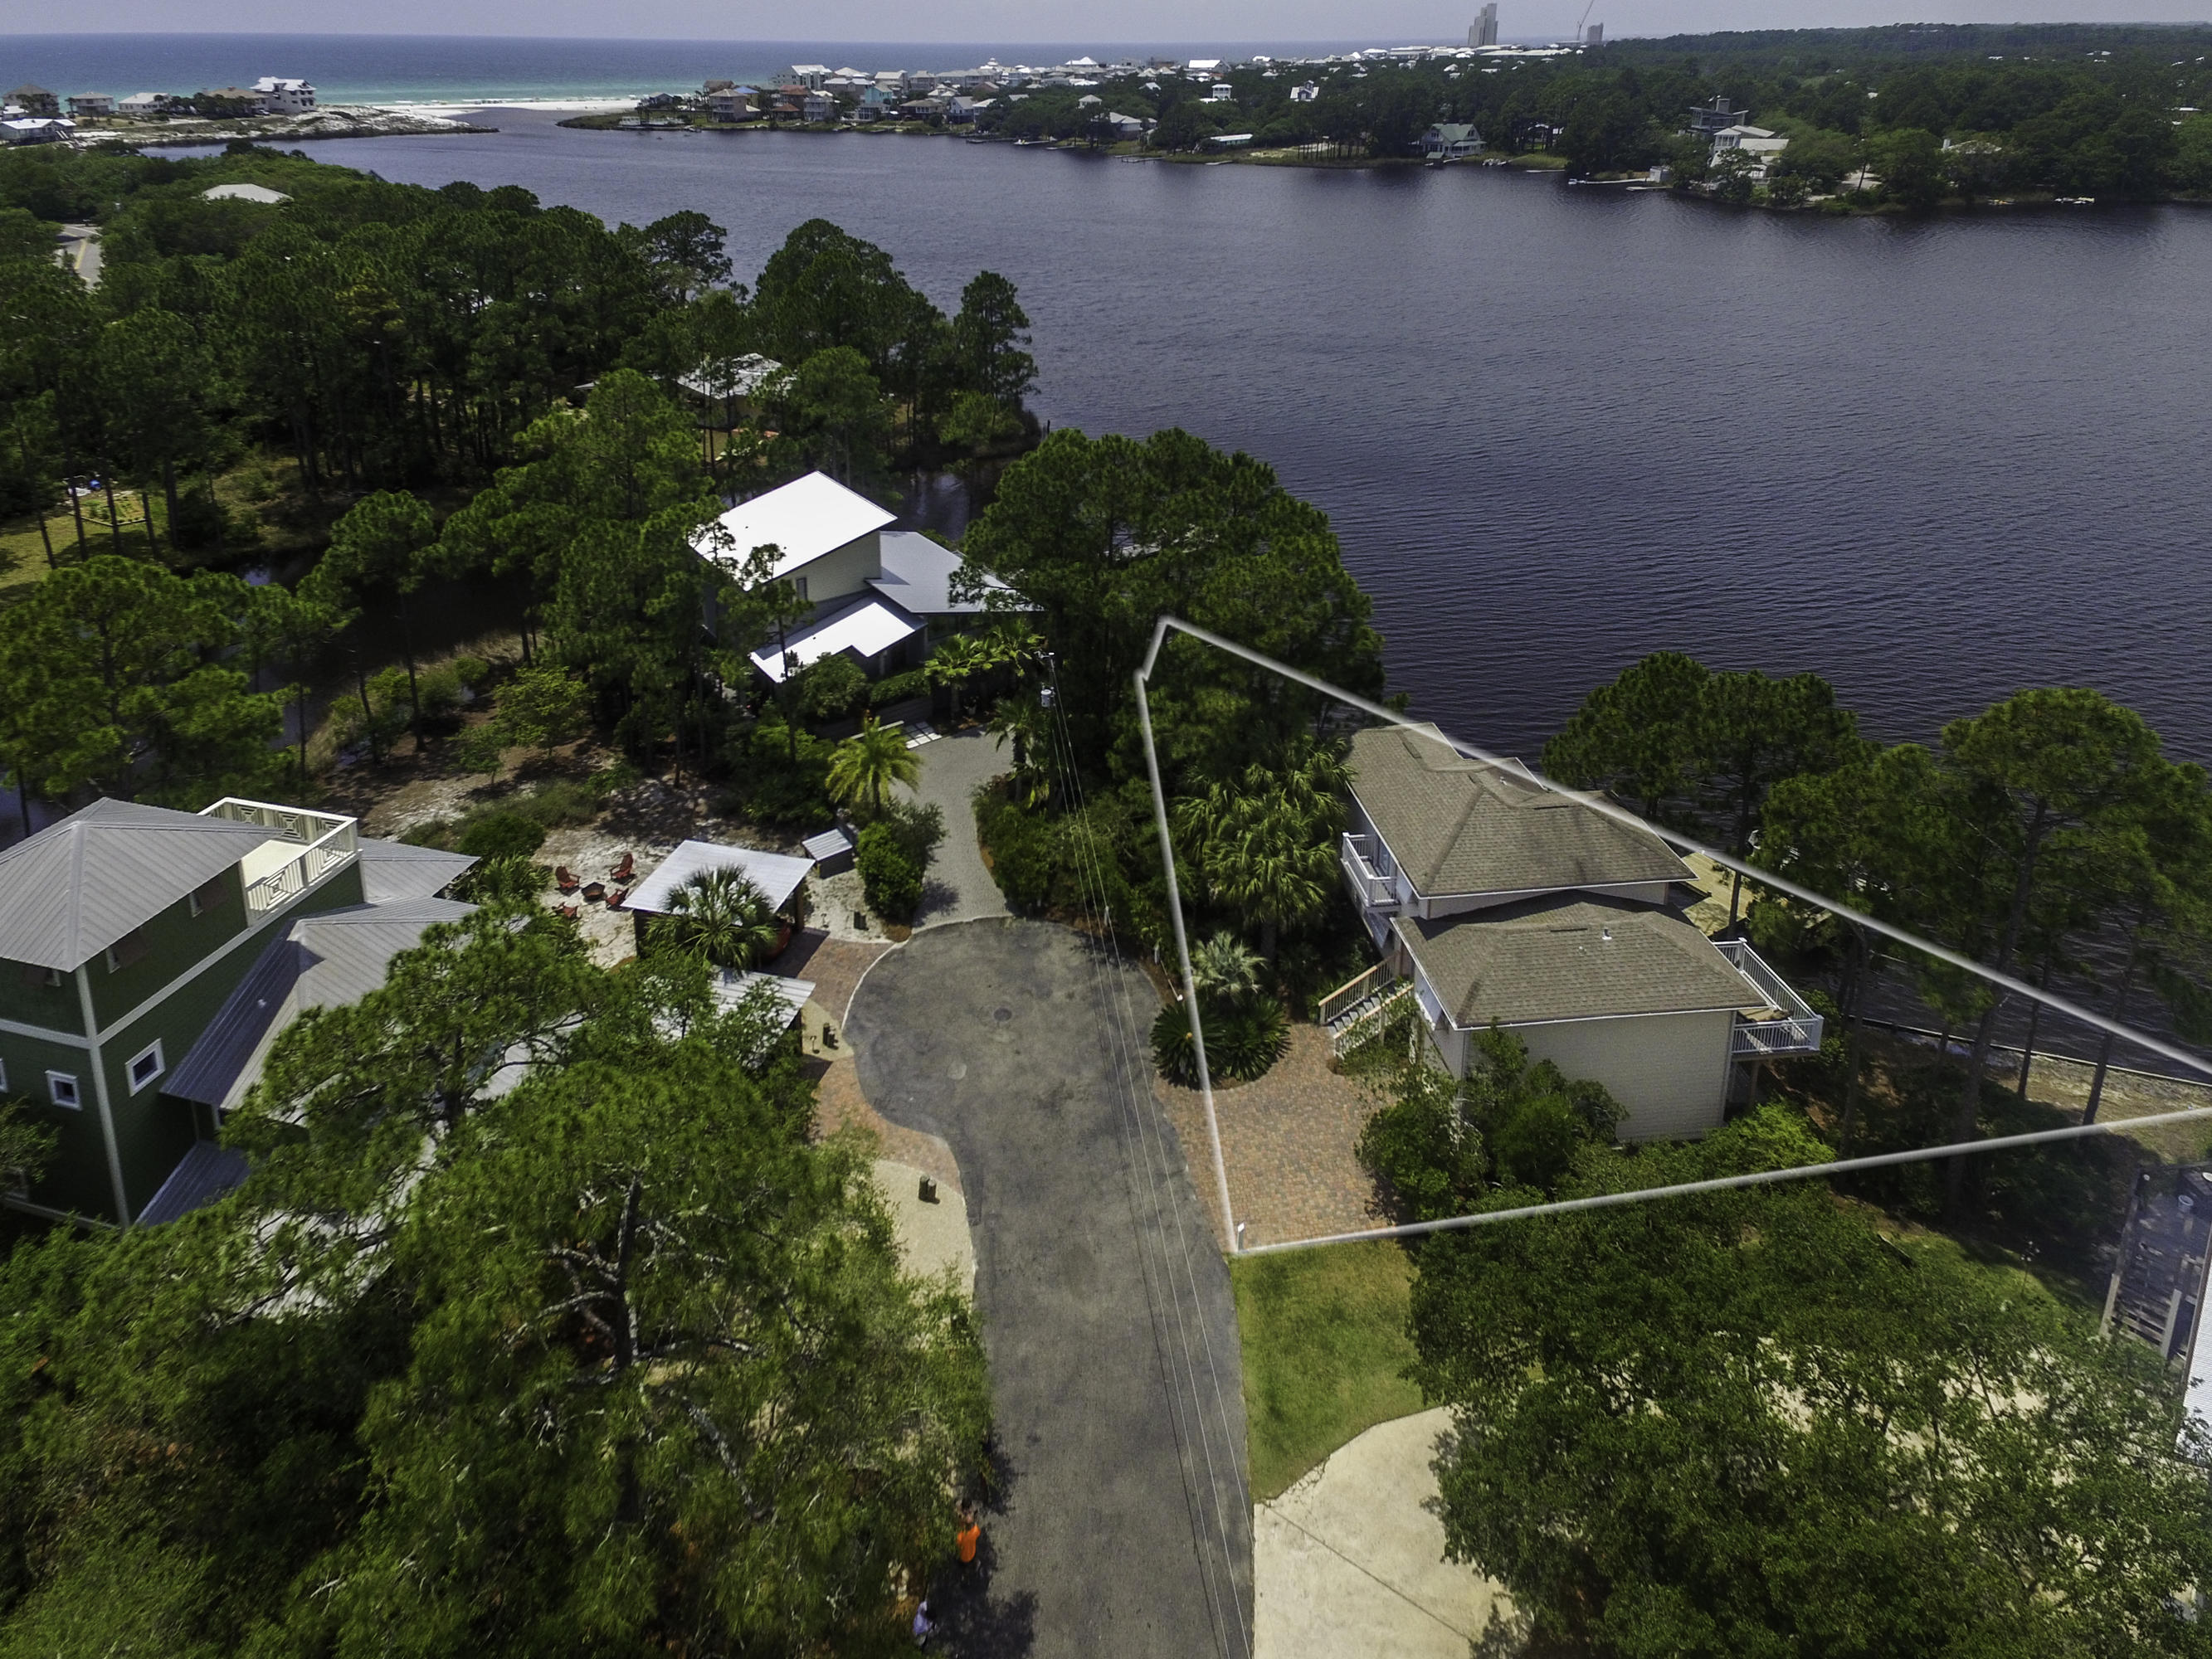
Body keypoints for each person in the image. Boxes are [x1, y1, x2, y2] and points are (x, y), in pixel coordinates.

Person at [957, 1501, 982, 1569]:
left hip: (963, 1557)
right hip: (972, 1553)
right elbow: (978, 1532)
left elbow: (957, 1545)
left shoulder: (960, 1535)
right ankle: (975, 1563)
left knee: (962, 1563)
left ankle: (964, 1568)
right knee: (972, 1557)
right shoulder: (975, 1530)